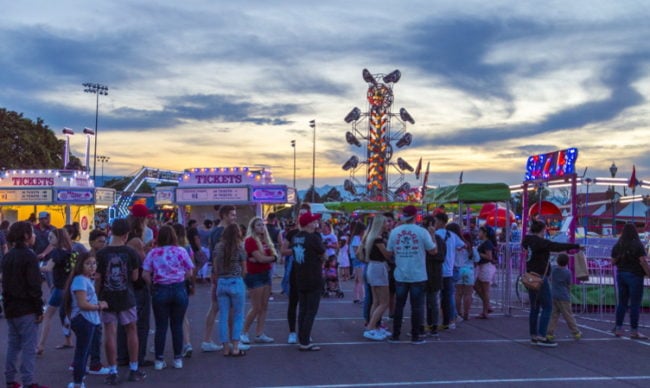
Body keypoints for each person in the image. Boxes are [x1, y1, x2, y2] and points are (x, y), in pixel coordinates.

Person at [95, 219, 147, 384]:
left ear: (111, 232)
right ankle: (133, 368)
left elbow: (98, 278)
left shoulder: (101, 254)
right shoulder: (131, 253)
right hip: (127, 297)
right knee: (131, 330)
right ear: (126, 234)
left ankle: (112, 370)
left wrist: (98, 297)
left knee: (109, 332)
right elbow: (135, 277)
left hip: (107, 297)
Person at [2, 221, 48, 388]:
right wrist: (39, 309)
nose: (34, 236)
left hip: (11, 307)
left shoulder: (8, 256)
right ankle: (28, 381)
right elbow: (34, 286)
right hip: (27, 308)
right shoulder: (29, 256)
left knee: (13, 345)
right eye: (32, 233)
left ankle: (10, 379)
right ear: (27, 236)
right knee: (29, 347)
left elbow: (5, 283)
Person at [142, 225, 194, 370]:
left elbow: (145, 274)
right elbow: (190, 271)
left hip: (160, 289)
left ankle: (159, 360)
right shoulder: (181, 251)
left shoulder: (153, 253)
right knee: (177, 325)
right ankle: (177, 359)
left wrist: (152, 284)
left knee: (161, 326)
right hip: (179, 288)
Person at [522, 220, 580, 347]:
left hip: (530, 276)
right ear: (542, 230)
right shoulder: (541, 243)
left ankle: (533, 335)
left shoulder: (527, 241)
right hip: (540, 277)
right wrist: (574, 246)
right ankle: (542, 336)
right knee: (547, 306)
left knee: (534, 307)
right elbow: (557, 246)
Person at [386, 205, 437, 344]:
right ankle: (415, 336)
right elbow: (433, 251)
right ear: (415, 216)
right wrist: (433, 235)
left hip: (401, 273)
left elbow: (389, 252)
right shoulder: (422, 232)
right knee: (417, 307)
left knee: (399, 306)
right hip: (418, 274)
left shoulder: (395, 232)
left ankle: (395, 335)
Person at [63, 252, 108, 388]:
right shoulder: (80, 280)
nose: (92, 266)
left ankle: (79, 380)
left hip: (87, 319)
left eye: (94, 263)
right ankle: (78, 382)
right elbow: (83, 304)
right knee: (82, 352)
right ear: (80, 265)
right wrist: (99, 306)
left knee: (84, 350)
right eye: (88, 263)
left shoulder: (84, 279)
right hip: (84, 319)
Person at [202, 205, 237, 352]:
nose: (234, 217)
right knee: (222, 307)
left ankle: (209, 340)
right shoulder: (222, 232)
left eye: (235, 215)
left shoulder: (215, 231)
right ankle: (228, 341)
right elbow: (219, 254)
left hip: (219, 273)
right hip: (223, 274)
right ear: (223, 215)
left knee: (217, 307)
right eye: (232, 215)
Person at [37, 228, 75, 354]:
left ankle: (41, 345)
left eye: (52, 237)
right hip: (68, 287)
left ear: (59, 238)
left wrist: (33, 267)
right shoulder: (69, 251)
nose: (49, 240)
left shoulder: (57, 252)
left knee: (47, 316)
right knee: (65, 314)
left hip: (60, 288)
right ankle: (68, 340)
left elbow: (48, 268)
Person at [291, 212, 325, 351]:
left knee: (303, 309)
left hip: (300, 276)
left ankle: (302, 338)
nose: (316, 222)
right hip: (313, 277)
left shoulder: (296, 237)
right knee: (311, 310)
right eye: (314, 221)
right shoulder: (313, 238)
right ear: (309, 223)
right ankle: (305, 341)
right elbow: (324, 254)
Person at [241, 217, 277, 344]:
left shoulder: (265, 240)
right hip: (254, 275)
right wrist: (271, 258)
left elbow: (272, 256)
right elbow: (262, 258)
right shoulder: (250, 241)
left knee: (264, 306)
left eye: (262, 225)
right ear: (253, 227)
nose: (261, 227)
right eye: (258, 225)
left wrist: (269, 258)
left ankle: (259, 333)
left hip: (266, 274)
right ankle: (243, 332)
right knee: (256, 307)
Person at [213, 223, 247, 356]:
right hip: (235, 280)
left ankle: (225, 347)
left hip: (222, 281)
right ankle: (236, 347)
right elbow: (244, 268)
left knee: (223, 316)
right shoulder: (239, 247)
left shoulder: (218, 247)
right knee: (238, 315)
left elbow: (215, 267)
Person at [611, 223, 648, 339]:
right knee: (635, 304)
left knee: (622, 302)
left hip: (621, 274)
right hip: (635, 275)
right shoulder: (638, 244)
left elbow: (612, 261)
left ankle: (618, 328)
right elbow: (642, 261)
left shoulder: (618, 245)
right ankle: (634, 331)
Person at [362, 214, 392, 341]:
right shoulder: (378, 239)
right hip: (378, 268)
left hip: (372, 267)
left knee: (376, 301)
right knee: (384, 302)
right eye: (386, 223)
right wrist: (391, 247)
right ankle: (370, 327)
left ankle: (373, 327)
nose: (388, 225)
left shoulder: (371, 237)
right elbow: (387, 254)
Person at [434, 215, 466, 329]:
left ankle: (437, 321)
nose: (434, 223)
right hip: (449, 270)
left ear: (441, 222)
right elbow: (463, 246)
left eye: (436, 221)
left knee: (434, 297)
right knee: (448, 296)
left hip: (436, 270)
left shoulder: (435, 234)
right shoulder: (452, 235)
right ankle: (450, 320)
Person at [171, 223, 196, 358]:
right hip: (184, 282)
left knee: (166, 317)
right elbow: (191, 267)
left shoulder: (165, 249)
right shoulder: (186, 248)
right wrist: (192, 284)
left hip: (168, 283)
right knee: (183, 315)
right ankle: (187, 343)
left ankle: (178, 345)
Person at [546, 254, 581, 341]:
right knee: (568, 315)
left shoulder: (553, 269)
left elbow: (550, 278)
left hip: (553, 294)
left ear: (557, 261)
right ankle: (575, 332)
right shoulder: (567, 272)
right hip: (563, 296)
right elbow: (568, 284)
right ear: (567, 262)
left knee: (554, 315)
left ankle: (549, 333)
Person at [455, 231, 479, 321]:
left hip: (459, 270)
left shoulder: (458, 248)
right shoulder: (473, 249)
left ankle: (458, 313)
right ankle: (466, 314)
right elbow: (477, 260)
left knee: (458, 294)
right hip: (469, 270)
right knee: (468, 294)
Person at [474, 225, 497, 319]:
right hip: (482, 266)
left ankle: (485, 311)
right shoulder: (484, 242)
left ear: (485, 233)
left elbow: (489, 257)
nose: (478, 233)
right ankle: (487, 306)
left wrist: (477, 253)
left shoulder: (487, 243)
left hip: (486, 267)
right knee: (476, 286)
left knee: (485, 289)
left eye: (480, 231)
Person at [349, 222, 366, 303]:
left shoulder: (356, 237)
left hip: (357, 259)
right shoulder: (356, 238)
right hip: (358, 259)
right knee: (361, 279)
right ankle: (364, 297)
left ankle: (357, 297)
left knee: (357, 280)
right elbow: (356, 251)